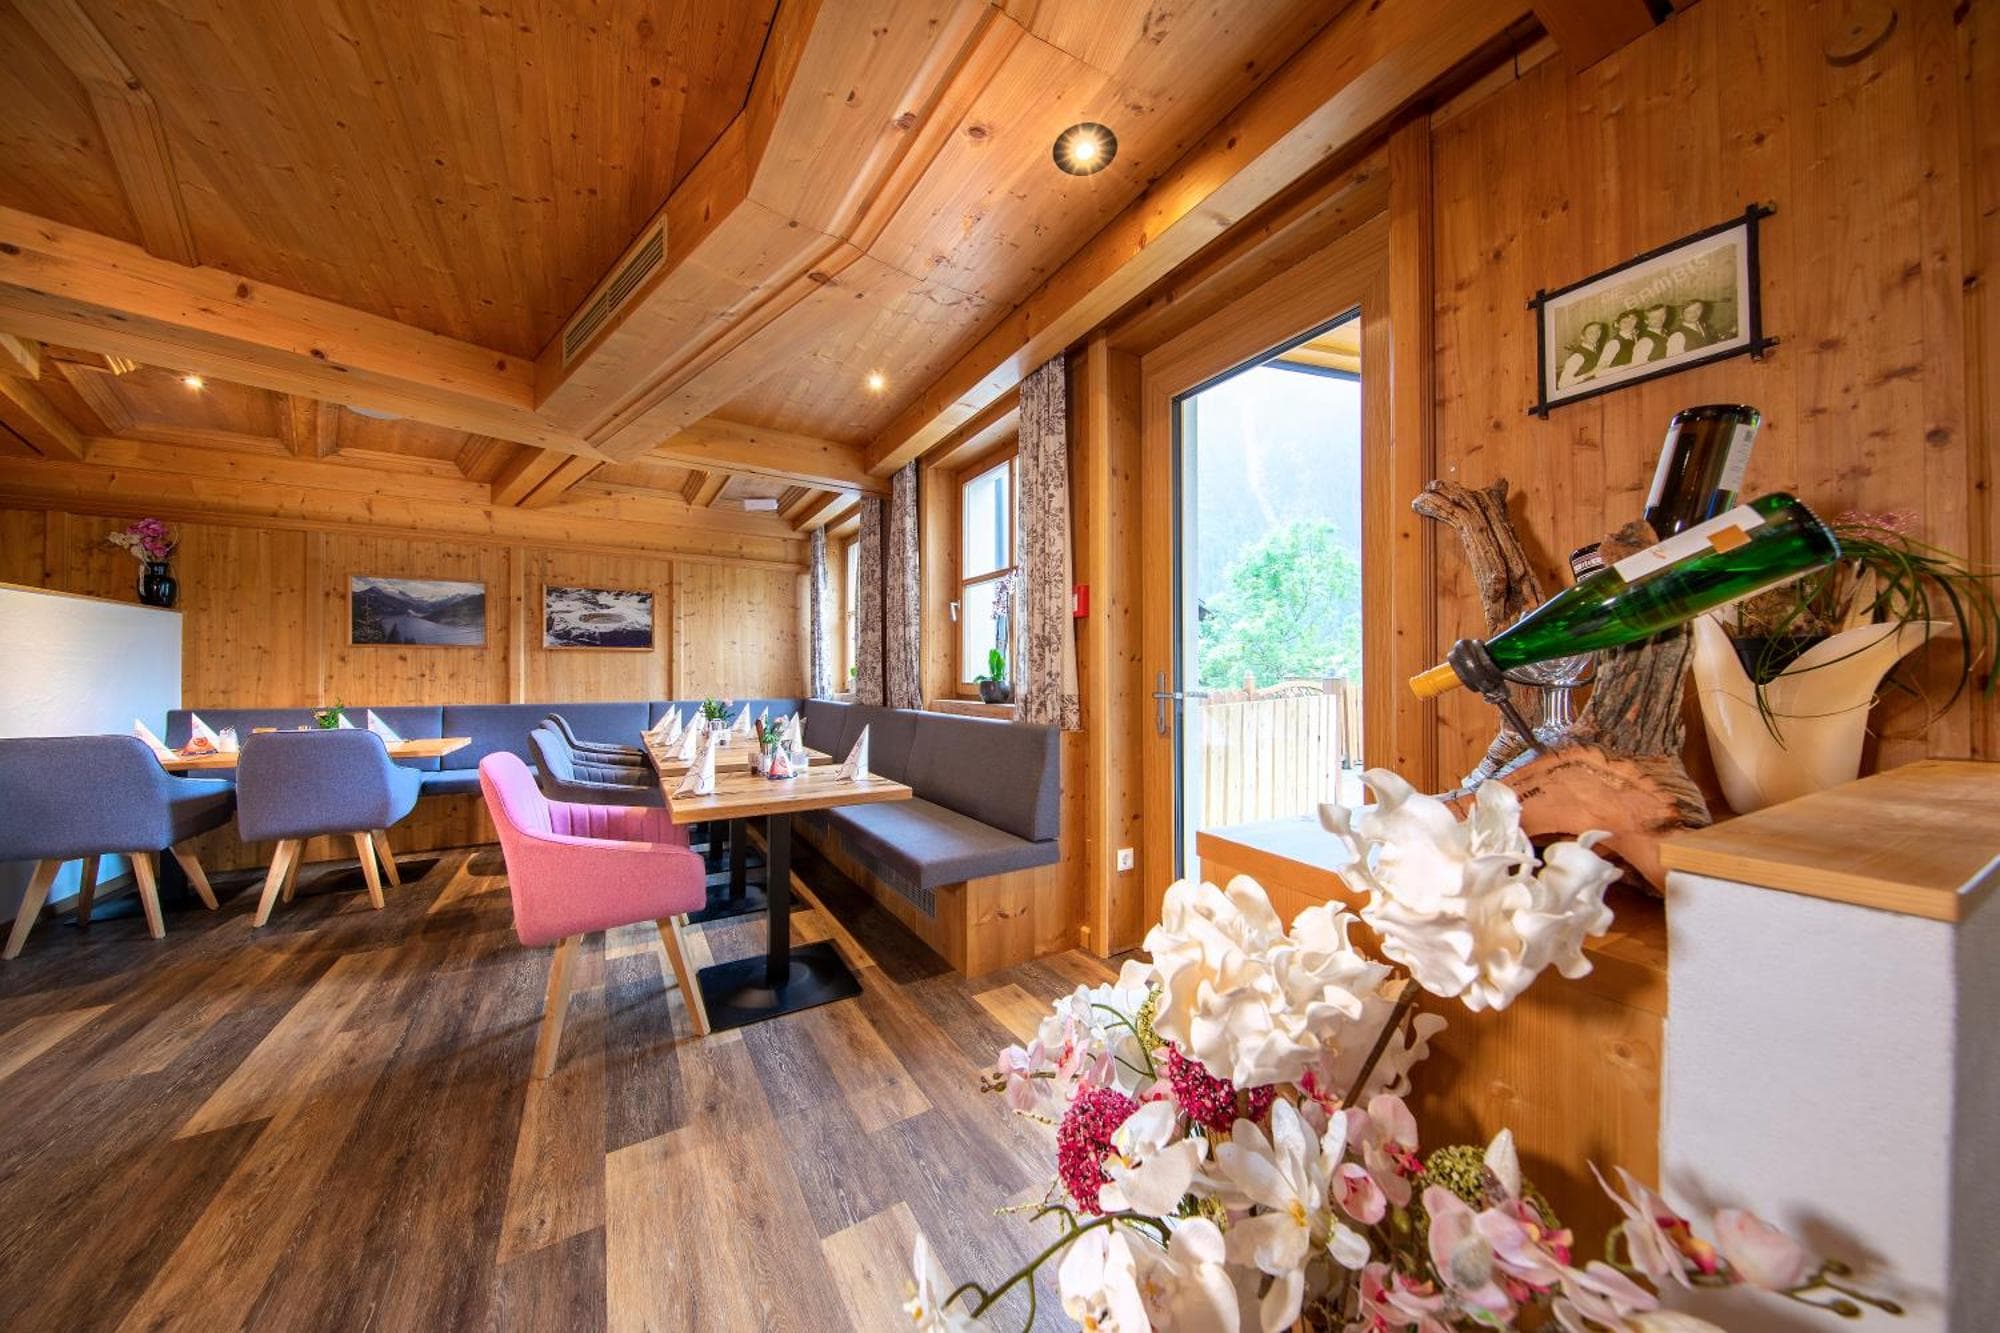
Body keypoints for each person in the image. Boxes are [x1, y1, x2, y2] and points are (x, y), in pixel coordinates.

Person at [1556, 321, 1607, 390]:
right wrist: (1590, 373)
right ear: (1582, 337)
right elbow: (1562, 384)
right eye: (1590, 333)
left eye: (1597, 331)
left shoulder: (1596, 349)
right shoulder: (1577, 356)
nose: (1595, 335)